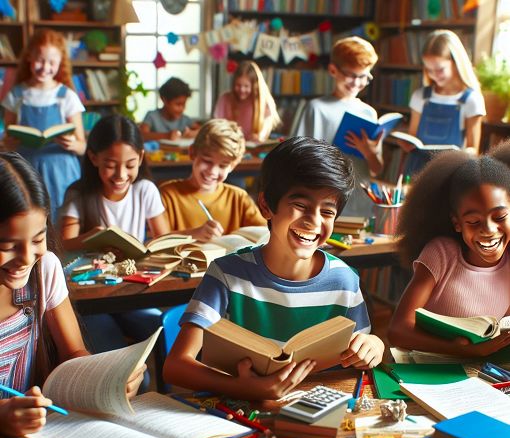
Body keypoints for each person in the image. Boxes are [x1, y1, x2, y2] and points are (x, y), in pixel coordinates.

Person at [163, 137, 385, 400]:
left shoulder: (344, 280)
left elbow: (362, 347)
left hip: (320, 413)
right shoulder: (226, 275)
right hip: (246, 412)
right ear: (267, 206)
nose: (313, 221)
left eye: (327, 212)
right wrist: (244, 388)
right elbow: (175, 367)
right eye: (300, 206)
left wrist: (375, 345)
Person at [0, 152, 143, 437]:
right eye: (7, 245)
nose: (26, 258)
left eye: (38, 239)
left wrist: (104, 380)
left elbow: (73, 354)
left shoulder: (44, 269)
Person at [59, 114, 169, 356]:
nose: (120, 174)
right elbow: (63, 243)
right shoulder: (79, 193)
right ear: (93, 157)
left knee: (163, 331)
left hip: (131, 293)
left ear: (141, 157)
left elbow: (164, 240)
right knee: (117, 357)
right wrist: (92, 237)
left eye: (130, 165)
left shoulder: (145, 190)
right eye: (110, 165)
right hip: (90, 299)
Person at [388, 148, 510, 358]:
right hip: (429, 369)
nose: (489, 230)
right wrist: (467, 350)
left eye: (500, 217)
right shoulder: (441, 254)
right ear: (457, 223)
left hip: (482, 373)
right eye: (473, 221)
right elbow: (398, 330)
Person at [1, 29, 86, 222]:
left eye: (51, 62)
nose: (45, 67)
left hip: (61, 172)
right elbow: (7, 138)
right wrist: (9, 143)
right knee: (27, 214)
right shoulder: (16, 95)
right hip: (25, 168)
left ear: (60, 63)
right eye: (40, 60)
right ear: (29, 56)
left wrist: (72, 143)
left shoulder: (67, 96)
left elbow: (82, 146)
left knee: (60, 219)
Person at [295, 36, 381, 216]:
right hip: (323, 201)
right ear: (333, 70)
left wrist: (369, 152)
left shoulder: (369, 113)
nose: (357, 83)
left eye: (363, 76)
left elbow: (377, 169)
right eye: (351, 75)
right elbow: (298, 161)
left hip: (360, 200)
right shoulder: (316, 109)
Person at [159, 118, 266, 243]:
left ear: (233, 165)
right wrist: (193, 234)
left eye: (222, 166)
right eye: (207, 161)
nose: (212, 171)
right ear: (192, 152)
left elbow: (264, 233)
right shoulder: (167, 195)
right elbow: (157, 241)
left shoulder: (239, 198)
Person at [402, 29, 485, 176]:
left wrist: (458, 154)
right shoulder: (420, 96)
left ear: (455, 63)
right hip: (417, 170)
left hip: (450, 172)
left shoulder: (471, 100)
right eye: (429, 69)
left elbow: (473, 149)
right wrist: (407, 144)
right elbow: (413, 137)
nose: (434, 75)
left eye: (440, 69)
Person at [213, 60, 280, 142]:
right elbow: (216, 127)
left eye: (246, 86)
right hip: (229, 148)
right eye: (238, 85)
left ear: (254, 86)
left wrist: (258, 137)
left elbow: (263, 133)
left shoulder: (264, 102)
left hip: (254, 149)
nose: (242, 89)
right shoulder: (224, 99)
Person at [140, 77, 200, 142]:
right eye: (178, 104)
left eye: (184, 104)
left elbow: (202, 130)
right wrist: (166, 136)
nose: (182, 108)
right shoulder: (152, 116)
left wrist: (193, 133)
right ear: (164, 100)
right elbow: (142, 135)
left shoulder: (185, 119)